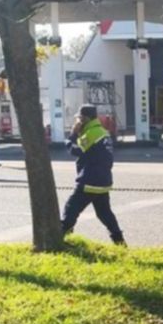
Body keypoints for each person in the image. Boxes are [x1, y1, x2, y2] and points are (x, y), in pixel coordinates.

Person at [61, 104, 125, 245]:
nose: (77, 122)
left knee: (71, 208)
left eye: (79, 119)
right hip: (103, 181)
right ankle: (119, 241)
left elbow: (75, 150)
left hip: (89, 180)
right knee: (104, 214)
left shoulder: (92, 133)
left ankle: (60, 237)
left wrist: (70, 136)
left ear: (85, 119)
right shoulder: (103, 132)